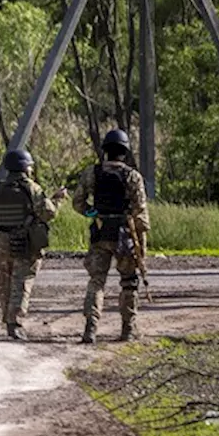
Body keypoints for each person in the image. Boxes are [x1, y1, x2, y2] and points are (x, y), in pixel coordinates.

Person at [0, 149, 67, 341]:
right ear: (25, 167)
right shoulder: (32, 189)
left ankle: (8, 322)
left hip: (2, 245)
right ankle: (15, 324)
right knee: (22, 283)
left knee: (5, 284)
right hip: (25, 243)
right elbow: (48, 213)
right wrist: (57, 199)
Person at [72, 128, 149, 343]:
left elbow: (78, 202)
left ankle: (90, 328)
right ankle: (128, 329)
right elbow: (140, 210)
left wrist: (92, 212)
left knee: (96, 281)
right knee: (129, 282)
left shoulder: (91, 173)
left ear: (105, 150)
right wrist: (141, 248)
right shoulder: (132, 176)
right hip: (125, 233)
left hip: (100, 230)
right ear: (125, 152)